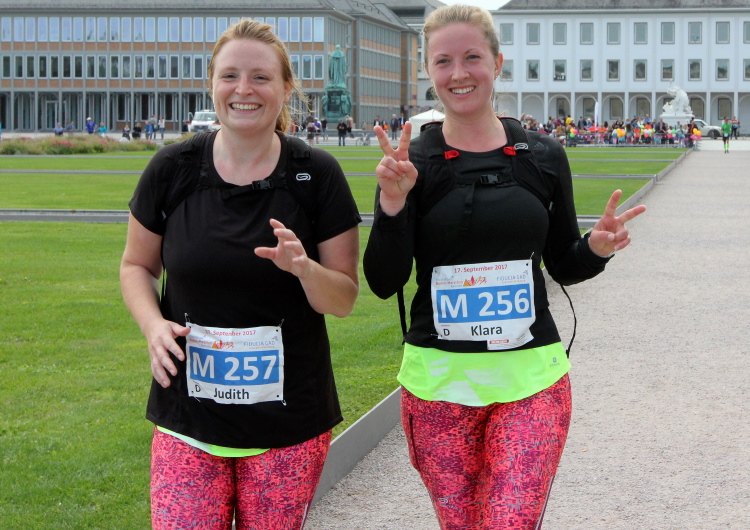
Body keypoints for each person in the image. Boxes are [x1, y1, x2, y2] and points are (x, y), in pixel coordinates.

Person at [362, 5, 646, 529]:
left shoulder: (542, 155)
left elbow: (563, 263)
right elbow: (383, 281)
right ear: (429, 70)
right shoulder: (412, 163)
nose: (459, 73)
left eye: (472, 57)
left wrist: (596, 248)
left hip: (531, 378)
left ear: (497, 62)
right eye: (443, 61)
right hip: (438, 384)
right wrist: (394, 203)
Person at [120, 19, 361, 529]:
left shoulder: (317, 175)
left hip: (289, 423)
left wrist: (304, 269)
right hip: (188, 415)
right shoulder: (172, 169)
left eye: (261, 77)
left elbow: (342, 299)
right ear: (212, 83)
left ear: (286, 88)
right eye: (230, 75)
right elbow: (137, 265)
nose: (243, 89)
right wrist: (152, 325)